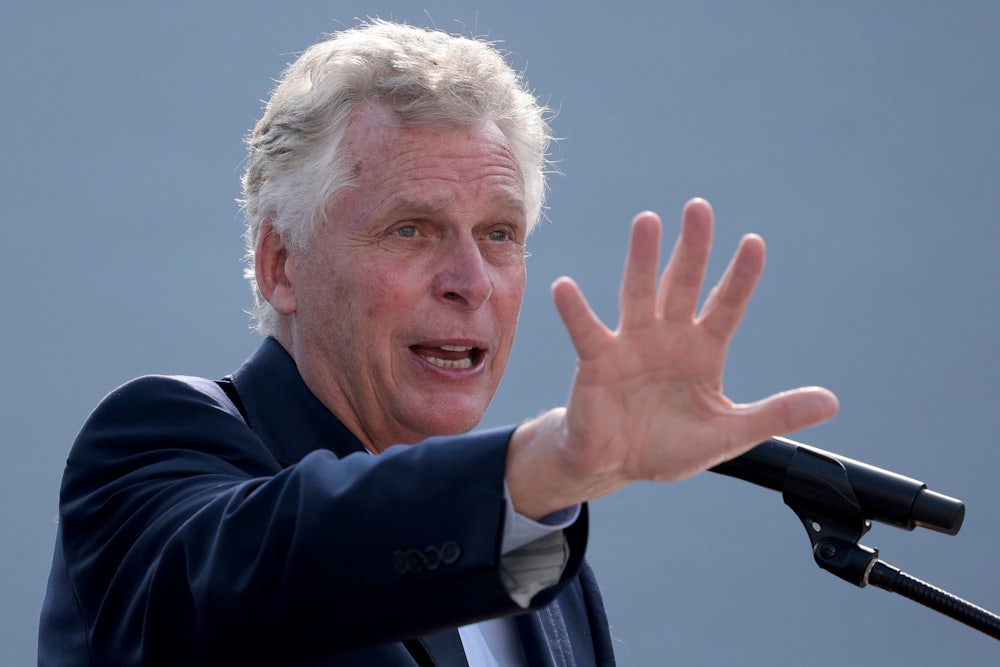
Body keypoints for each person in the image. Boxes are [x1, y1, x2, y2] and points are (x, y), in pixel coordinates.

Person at [38, 19, 839, 666]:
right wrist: (550, 464)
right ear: (280, 264)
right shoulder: (152, 449)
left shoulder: (544, 562)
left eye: (499, 233)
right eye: (411, 229)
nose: (470, 280)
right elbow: (277, 569)